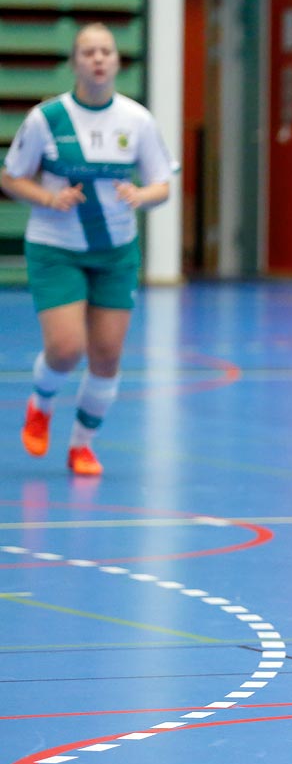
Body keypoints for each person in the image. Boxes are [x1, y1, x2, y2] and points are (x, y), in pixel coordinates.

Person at [0, 23, 173, 476]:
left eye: (106, 51)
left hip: (115, 252)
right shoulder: (48, 119)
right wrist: (48, 198)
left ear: (117, 61)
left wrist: (142, 196)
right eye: (88, 52)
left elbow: (163, 184)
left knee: (107, 353)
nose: (98, 59)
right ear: (75, 62)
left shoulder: (137, 121)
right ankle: (41, 403)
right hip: (56, 247)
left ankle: (82, 444)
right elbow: (10, 176)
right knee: (66, 347)